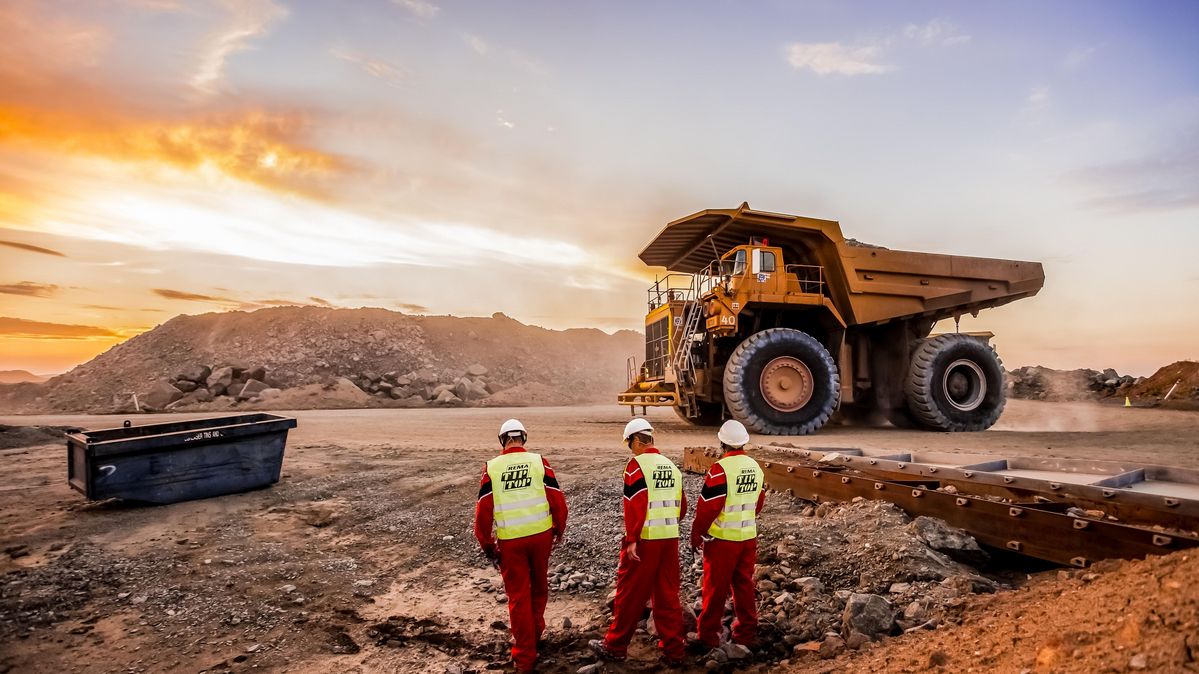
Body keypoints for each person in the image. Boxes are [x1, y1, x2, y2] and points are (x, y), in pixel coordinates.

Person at [589, 418, 687, 666]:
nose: (629, 449)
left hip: (645, 542)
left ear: (636, 441)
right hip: (669, 539)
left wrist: (632, 539)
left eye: (629, 443)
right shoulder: (670, 466)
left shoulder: (636, 466)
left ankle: (615, 646)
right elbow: (682, 507)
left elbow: (637, 504)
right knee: (667, 596)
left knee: (629, 595)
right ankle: (674, 651)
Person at [474, 419, 568, 673]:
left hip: (511, 541)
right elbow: (557, 499)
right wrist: (559, 528)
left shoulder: (492, 468)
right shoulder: (540, 462)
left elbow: (484, 510)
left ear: (502, 440)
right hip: (541, 537)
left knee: (518, 597)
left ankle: (525, 657)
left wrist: (486, 543)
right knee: (539, 587)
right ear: (523, 438)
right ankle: (536, 633)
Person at [689, 419, 765, 654]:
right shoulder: (755, 467)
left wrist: (697, 533)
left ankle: (709, 635)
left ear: (722, 444)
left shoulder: (720, 469)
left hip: (722, 540)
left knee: (715, 587)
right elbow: (758, 503)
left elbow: (708, 508)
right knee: (743, 585)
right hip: (748, 537)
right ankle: (746, 633)